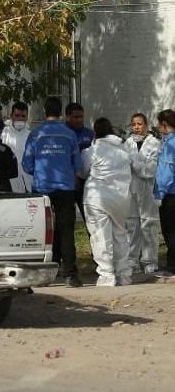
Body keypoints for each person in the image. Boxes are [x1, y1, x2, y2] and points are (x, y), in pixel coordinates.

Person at [22, 97, 83, 287]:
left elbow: (26, 164)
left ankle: (44, 270)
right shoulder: (69, 134)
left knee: (42, 230)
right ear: (60, 112)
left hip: (42, 189)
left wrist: (40, 172)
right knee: (66, 230)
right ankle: (70, 275)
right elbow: (78, 165)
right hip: (65, 188)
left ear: (44, 111)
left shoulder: (35, 134)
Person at [81, 118, 134, 286]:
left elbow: (82, 172)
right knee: (120, 235)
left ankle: (106, 275)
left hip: (97, 197)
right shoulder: (124, 149)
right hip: (121, 198)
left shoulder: (92, 151)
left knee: (100, 236)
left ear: (95, 132)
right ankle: (124, 274)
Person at [124, 113, 161, 274]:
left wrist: (134, 162)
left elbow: (150, 170)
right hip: (130, 190)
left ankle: (149, 260)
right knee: (132, 226)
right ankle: (132, 260)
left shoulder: (155, 144)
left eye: (139, 124)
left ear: (146, 125)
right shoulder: (128, 143)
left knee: (148, 225)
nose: (136, 127)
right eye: (134, 124)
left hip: (147, 190)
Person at [65, 102, 95, 223]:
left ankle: (94, 241)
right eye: (75, 117)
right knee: (67, 218)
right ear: (67, 117)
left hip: (85, 180)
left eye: (81, 117)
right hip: (67, 181)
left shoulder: (89, 134)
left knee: (89, 216)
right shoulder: (62, 134)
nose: (79, 120)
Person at [154, 109, 175, 275]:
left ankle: (172, 265)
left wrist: (159, 194)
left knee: (170, 230)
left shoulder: (169, 144)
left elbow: (166, 172)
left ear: (164, 125)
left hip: (170, 194)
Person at [1, 101, 32, 192]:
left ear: (27, 117)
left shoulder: (31, 135)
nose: (20, 119)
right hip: (8, 181)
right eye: (17, 115)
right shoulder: (4, 134)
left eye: (23, 116)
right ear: (11, 116)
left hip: (27, 181)